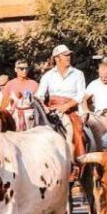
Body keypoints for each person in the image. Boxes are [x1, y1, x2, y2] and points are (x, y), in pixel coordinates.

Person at [36, 44, 86, 175]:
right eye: (66, 55)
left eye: (69, 55)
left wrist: (66, 106)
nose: (69, 57)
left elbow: (81, 95)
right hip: (51, 108)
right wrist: (45, 107)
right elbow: (39, 95)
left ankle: (77, 166)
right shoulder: (48, 75)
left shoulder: (78, 74)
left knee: (77, 132)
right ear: (57, 58)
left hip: (70, 109)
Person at [0, 60, 39, 130]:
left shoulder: (34, 84)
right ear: (16, 69)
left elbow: (39, 102)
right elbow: (3, 105)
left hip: (31, 120)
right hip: (15, 119)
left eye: (27, 68)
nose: (25, 71)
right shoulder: (10, 84)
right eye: (21, 68)